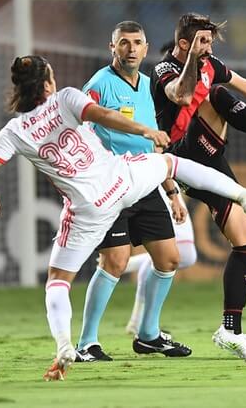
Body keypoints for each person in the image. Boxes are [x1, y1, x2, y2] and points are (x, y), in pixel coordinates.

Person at [0, 55, 246, 381]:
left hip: (88, 209)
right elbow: (103, 116)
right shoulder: (65, 97)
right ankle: (245, 196)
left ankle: (64, 346)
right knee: (171, 164)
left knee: (58, 281)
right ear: (47, 83)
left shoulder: (12, 131)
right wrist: (144, 129)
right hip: (120, 180)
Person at [151, 13, 246, 365]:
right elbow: (181, 97)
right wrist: (196, 64)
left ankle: (230, 329)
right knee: (214, 94)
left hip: (212, 159)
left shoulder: (210, 63)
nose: (208, 48)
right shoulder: (164, 70)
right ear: (183, 44)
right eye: (201, 42)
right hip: (182, 155)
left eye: (210, 42)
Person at [75, 21, 194, 362]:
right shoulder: (99, 84)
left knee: (170, 258)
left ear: (145, 48)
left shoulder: (148, 85)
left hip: (145, 182)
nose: (130, 48)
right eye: (123, 43)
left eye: (137, 43)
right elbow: (79, 126)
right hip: (111, 186)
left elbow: (153, 139)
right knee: (114, 260)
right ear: (112, 47)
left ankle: (148, 335)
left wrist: (171, 190)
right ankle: (87, 342)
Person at [123, 38, 197, 336]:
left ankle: (136, 316)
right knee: (175, 255)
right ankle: (141, 321)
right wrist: (172, 190)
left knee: (185, 256)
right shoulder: (157, 94)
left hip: (168, 177)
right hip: (154, 178)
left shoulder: (193, 91)